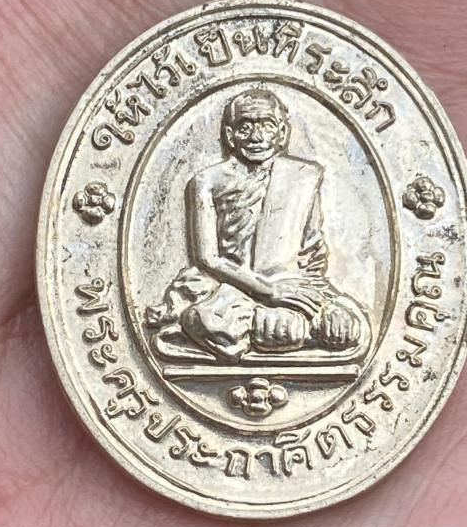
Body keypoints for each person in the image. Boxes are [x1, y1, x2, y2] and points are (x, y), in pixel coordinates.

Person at [146, 88, 369, 361]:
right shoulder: (206, 181)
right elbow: (207, 258)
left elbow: (312, 254)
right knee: (205, 320)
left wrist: (314, 300)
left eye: (267, 126)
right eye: (245, 127)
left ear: (282, 134)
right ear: (230, 136)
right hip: (228, 283)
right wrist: (268, 291)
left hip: (288, 280)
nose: (256, 137)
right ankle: (272, 325)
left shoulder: (302, 176)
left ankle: (281, 324)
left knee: (346, 329)